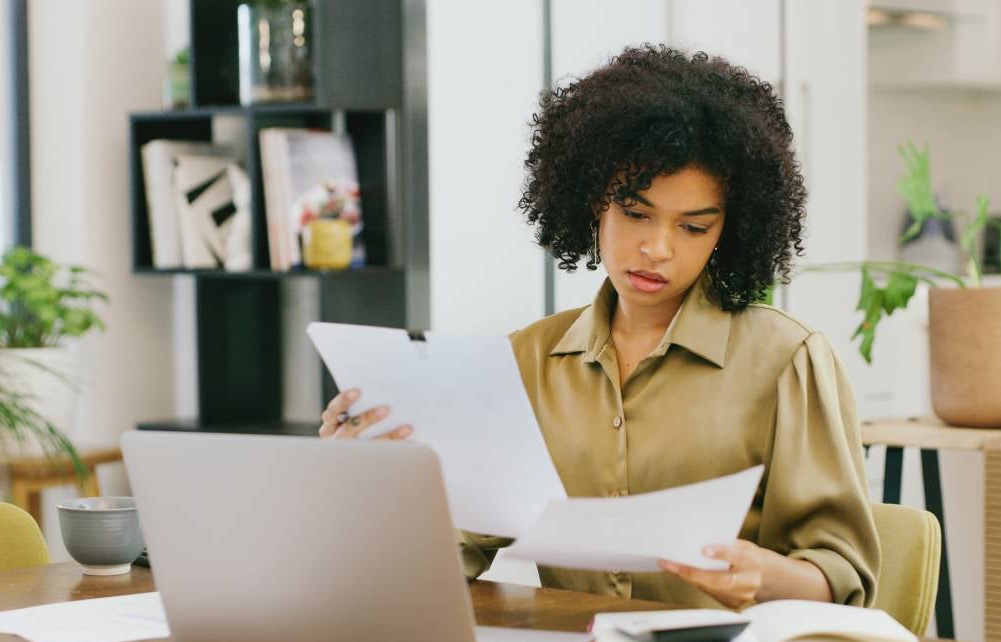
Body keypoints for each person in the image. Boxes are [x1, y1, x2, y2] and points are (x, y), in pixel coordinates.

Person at [319, 45, 879, 610]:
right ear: (593, 204)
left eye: (692, 227)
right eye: (635, 214)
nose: (656, 248)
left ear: (727, 232)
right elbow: (451, 549)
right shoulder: (527, 360)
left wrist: (768, 575)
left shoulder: (789, 360)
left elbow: (842, 574)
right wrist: (372, 479)